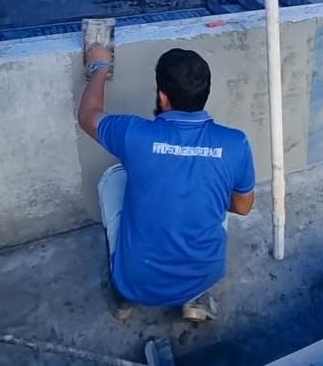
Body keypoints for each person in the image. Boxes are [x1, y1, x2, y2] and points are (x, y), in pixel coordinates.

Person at [78, 45, 255, 319]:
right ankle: (194, 298)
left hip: (138, 280)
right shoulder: (236, 143)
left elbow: (87, 115)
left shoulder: (134, 134)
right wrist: (202, 194)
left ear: (162, 97)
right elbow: (243, 207)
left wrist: (100, 67)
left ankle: (123, 297)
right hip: (204, 275)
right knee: (217, 196)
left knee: (113, 181)